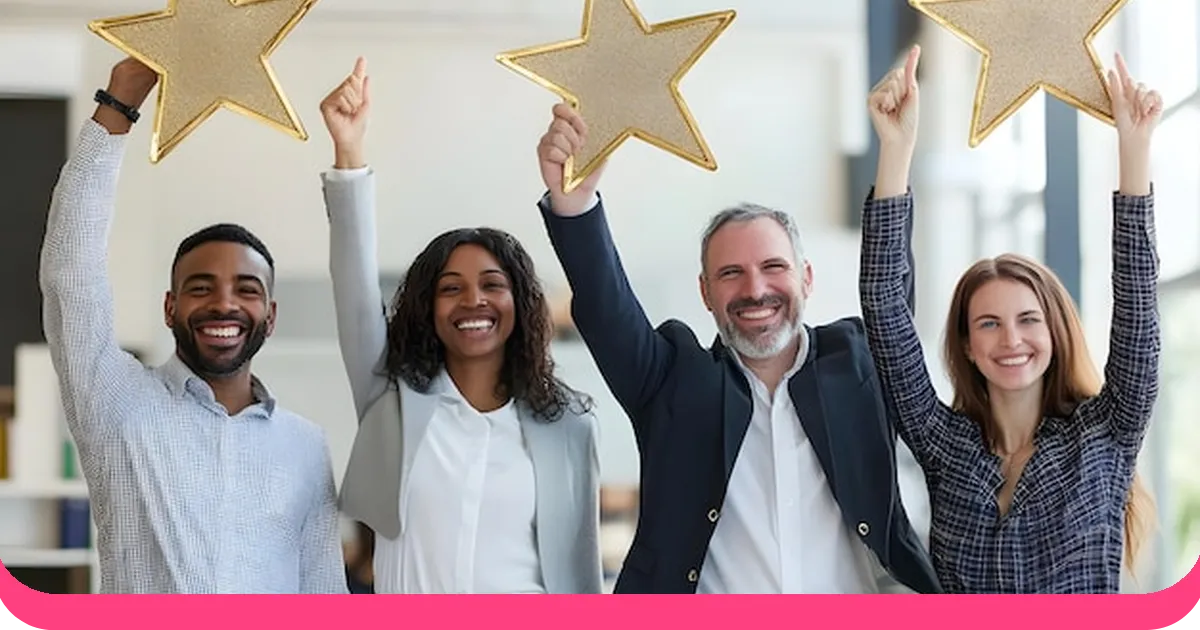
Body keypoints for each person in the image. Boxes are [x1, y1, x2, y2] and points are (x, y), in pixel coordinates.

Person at [534, 106, 940, 592]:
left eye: (774, 267)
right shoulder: (673, 381)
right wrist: (575, 205)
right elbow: (606, 310)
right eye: (731, 274)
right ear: (706, 293)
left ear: (806, 278)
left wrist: (895, 154)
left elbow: (888, 295)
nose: (755, 289)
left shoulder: (858, 363)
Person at [858, 46, 1161, 594]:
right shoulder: (942, 443)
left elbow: (1138, 308)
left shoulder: (1107, 433)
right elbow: (884, 304)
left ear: (1054, 333)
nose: (1012, 339)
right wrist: (896, 150)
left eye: (1028, 319)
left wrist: (1133, 149)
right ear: (968, 345)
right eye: (989, 324)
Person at [39, 58, 346, 594]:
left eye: (246, 290)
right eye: (200, 288)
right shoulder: (115, 402)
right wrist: (118, 104)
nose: (223, 304)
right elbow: (70, 270)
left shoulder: (305, 445)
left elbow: (324, 596)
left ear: (270, 316)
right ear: (169, 308)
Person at [318, 58, 603, 594]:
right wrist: (349, 155)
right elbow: (353, 290)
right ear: (428, 308)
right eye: (450, 288)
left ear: (521, 304)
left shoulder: (570, 424)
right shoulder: (391, 400)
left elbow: (579, 571)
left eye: (493, 284)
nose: (473, 299)